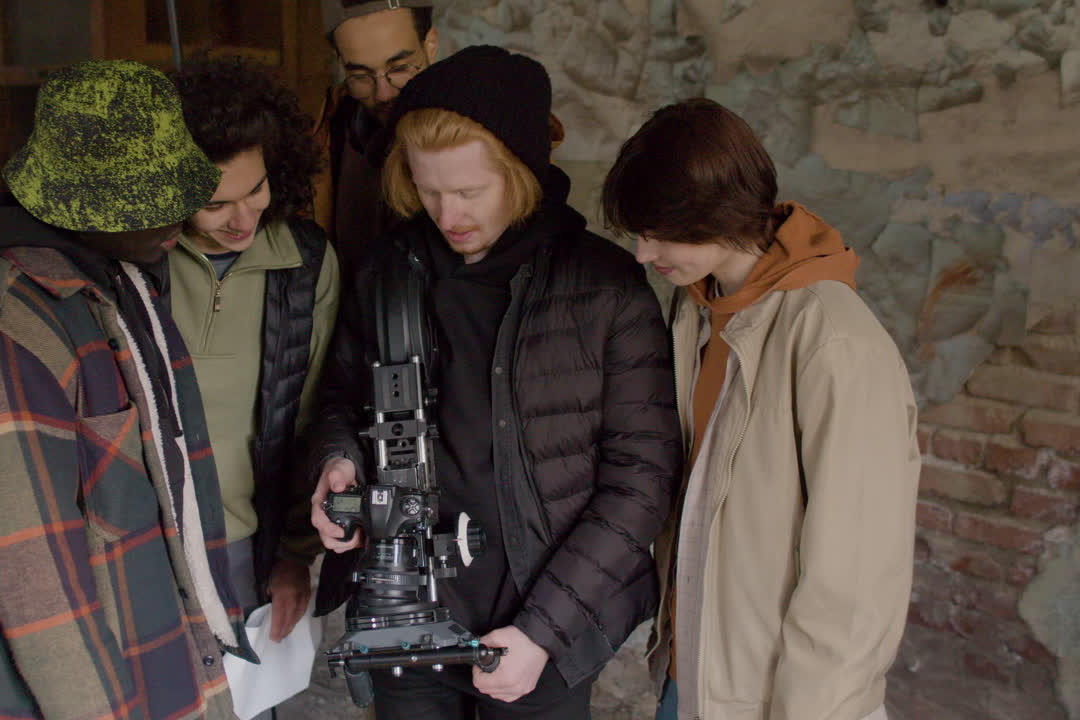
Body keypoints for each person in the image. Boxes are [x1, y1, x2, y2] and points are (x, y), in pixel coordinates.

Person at [306, 46, 682, 719]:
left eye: (470, 191)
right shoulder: (392, 272)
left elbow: (642, 477)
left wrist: (542, 632)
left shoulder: (605, 287)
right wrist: (337, 462)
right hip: (406, 615)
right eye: (426, 188)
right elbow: (340, 396)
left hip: (542, 629)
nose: (447, 211)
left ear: (522, 171)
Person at [0, 60, 254, 720]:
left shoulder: (112, 280)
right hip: (88, 695)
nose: (178, 217)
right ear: (80, 204)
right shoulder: (3, 332)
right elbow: (36, 585)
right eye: (151, 202)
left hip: (155, 653)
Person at [600, 98, 920, 720]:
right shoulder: (696, 307)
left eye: (659, 232)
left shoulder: (835, 340)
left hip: (778, 700)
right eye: (638, 232)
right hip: (693, 675)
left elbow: (856, 580)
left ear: (718, 214)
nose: (642, 254)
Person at [167, 58, 339, 645]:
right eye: (214, 204)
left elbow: (313, 417)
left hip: (247, 544)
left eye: (256, 189)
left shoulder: (307, 264)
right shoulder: (137, 261)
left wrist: (294, 553)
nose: (243, 219)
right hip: (143, 543)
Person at [313, 0, 439, 278]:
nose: (383, 93)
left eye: (400, 68)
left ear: (430, 43)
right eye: (360, 75)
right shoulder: (329, 132)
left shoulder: (486, 133)